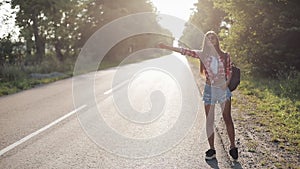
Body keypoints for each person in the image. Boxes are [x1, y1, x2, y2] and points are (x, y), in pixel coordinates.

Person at [158, 31, 238, 160]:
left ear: (217, 41)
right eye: (208, 38)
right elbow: (185, 51)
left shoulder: (225, 55)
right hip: (209, 90)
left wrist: (227, 83)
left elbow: (229, 70)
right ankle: (212, 150)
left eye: (213, 38)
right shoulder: (202, 55)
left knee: (227, 117)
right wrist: (168, 47)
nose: (211, 39)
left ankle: (233, 147)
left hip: (223, 89)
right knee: (210, 120)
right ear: (205, 42)